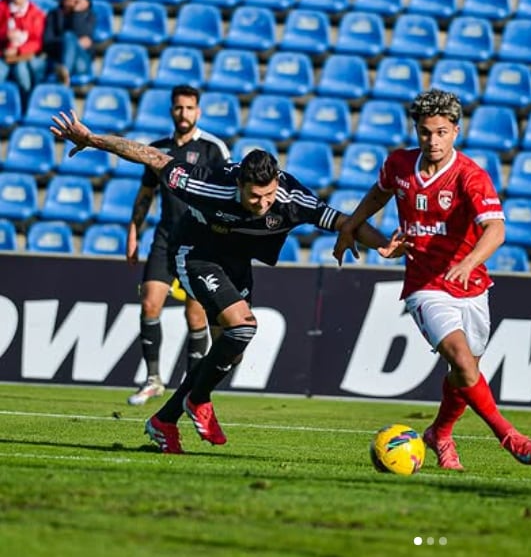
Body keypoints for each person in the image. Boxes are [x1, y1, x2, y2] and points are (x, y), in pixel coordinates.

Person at [50, 109, 403, 454]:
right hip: (196, 254)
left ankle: (165, 420)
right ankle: (199, 401)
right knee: (244, 328)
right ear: (239, 185)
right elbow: (152, 157)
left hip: (236, 266)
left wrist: (384, 244)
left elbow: (342, 220)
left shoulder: (291, 197)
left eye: (269, 195)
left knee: (229, 354)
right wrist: (92, 139)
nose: (263, 204)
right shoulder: (209, 183)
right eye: (254, 196)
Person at [332, 89, 531, 470]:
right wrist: (351, 225)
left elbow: (495, 231)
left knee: (465, 374)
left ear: (456, 132)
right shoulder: (399, 164)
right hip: (425, 284)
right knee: (462, 360)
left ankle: (439, 435)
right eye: (426, 132)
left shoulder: (470, 176)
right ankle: (508, 436)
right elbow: (379, 194)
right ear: (416, 130)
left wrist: (469, 263)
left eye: (442, 132)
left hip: (471, 285)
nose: (433, 141)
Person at [125, 85, 232, 407]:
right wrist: (133, 232)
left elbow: (228, 191)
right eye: (178, 108)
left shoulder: (214, 149)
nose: (183, 113)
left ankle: (191, 388)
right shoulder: (158, 150)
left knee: (196, 316)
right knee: (149, 304)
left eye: (189, 108)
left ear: (198, 111)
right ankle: (153, 379)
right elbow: (145, 195)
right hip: (165, 237)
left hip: (200, 242)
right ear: (171, 110)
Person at [0, 0, 45, 106]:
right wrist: (5, 35)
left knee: (22, 74)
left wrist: (19, 50)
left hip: (23, 57)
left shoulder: (36, 13)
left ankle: (26, 106)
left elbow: (37, 42)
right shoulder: (2, 8)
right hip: (3, 55)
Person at [42, 0, 94, 86]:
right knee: (68, 37)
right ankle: (65, 72)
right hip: (58, 58)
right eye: (69, 1)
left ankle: (65, 72)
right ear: (64, 0)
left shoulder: (88, 16)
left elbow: (88, 43)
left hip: (80, 62)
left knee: (69, 37)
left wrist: (77, 14)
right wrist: (68, 43)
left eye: (76, 2)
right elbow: (47, 41)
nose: (72, 5)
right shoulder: (53, 15)